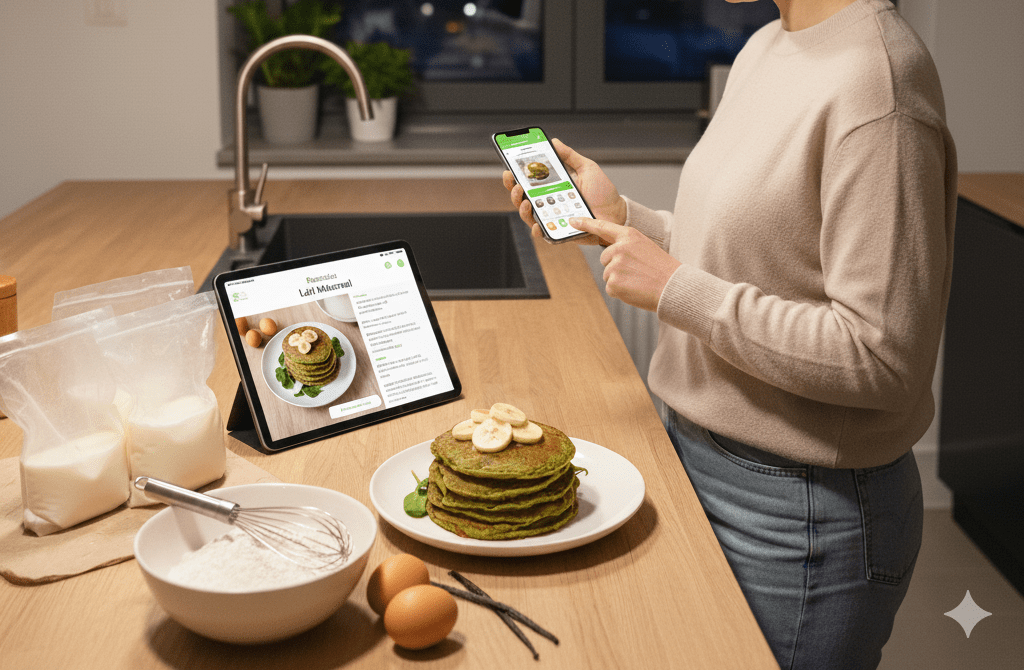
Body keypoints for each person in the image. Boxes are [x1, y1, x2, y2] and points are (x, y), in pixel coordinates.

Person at [503, 1, 956, 668]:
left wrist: (673, 289)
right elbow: (760, 257)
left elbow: (881, 357)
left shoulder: (879, 84)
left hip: (799, 510)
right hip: (697, 456)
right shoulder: (769, 46)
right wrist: (624, 217)